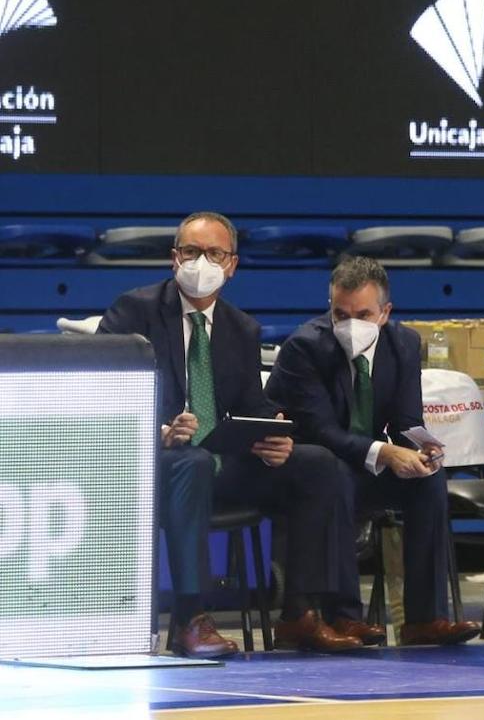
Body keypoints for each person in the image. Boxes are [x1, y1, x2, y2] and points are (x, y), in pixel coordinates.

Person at [98, 212, 362, 656]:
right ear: (174, 258)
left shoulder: (242, 329)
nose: (201, 262)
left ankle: (300, 612)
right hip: (152, 468)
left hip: (221, 466)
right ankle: (189, 620)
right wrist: (158, 430)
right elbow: (102, 392)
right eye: (191, 252)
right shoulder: (134, 311)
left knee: (318, 464)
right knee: (193, 462)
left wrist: (272, 436)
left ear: (232, 265)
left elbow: (250, 409)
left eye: (214, 253)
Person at [265, 256, 482, 646]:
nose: (350, 325)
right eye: (339, 313)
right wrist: (385, 453)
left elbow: (405, 420)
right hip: (311, 469)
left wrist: (422, 448)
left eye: (362, 314)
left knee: (429, 481)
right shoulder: (304, 347)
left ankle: (425, 618)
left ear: (385, 313)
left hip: (364, 462)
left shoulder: (404, 344)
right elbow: (321, 431)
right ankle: (345, 616)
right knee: (335, 474)